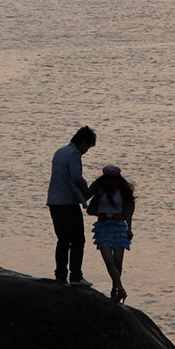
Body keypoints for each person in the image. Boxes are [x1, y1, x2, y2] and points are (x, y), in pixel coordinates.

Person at [46, 125, 96, 285]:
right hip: (68, 202)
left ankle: (60, 275)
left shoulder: (59, 152)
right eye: (87, 147)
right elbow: (76, 177)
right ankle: (76, 276)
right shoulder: (74, 154)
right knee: (78, 240)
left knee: (62, 240)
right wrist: (86, 189)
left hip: (54, 201)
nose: (86, 151)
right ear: (82, 142)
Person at [87, 164, 136, 303]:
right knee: (109, 260)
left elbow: (129, 212)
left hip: (119, 227)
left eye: (114, 179)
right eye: (109, 179)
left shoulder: (124, 191)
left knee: (118, 261)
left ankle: (115, 288)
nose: (112, 182)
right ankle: (121, 288)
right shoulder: (99, 190)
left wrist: (129, 229)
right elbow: (87, 200)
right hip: (103, 227)